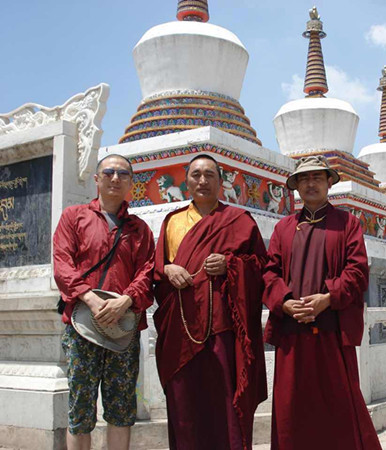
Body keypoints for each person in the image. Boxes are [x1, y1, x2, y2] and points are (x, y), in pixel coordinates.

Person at [263, 155, 382, 450]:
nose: (311, 183)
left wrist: (328, 299)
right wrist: (286, 303)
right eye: (304, 178)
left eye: (317, 177)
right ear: (297, 187)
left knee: (339, 409)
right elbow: (269, 273)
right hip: (292, 334)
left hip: (331, 331)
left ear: (329, 182)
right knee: (292, 410)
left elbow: (357, 271)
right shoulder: (283, 229)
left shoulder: (347, 224)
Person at [153, 154, 267, 450]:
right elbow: (155, 270)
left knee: (226, 407)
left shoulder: (239, 221)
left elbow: (261, 268)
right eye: (195, 175)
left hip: (223, 331)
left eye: (209, 175)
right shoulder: (173, 221)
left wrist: (231, 264)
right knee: (185, 407)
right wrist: (167, 269)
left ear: (221, 182)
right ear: (186, 181)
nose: (202, 181)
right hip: (181, 331)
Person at [53, 154, 155, 450]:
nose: (115, 178)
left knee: (121, 408)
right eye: (108, 172)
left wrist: (126, 300)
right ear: (96, 179)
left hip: (123, 328)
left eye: (123, 174)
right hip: (82, 325)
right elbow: (62, 263)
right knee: (80, 407)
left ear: (131, 184)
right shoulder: (74, 217)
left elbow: (148, 271)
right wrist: (88, 298)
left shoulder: (139, 229)